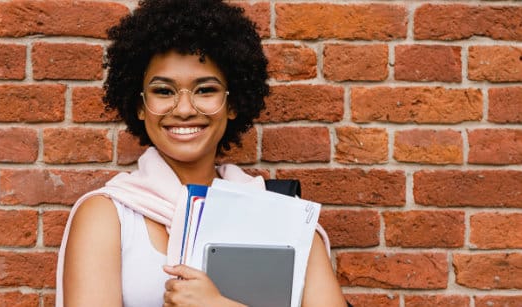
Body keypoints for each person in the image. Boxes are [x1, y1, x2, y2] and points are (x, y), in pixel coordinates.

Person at [55, 0, 348, 306]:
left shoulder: (281, 214)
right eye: (163, 91)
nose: (184, 109)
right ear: (140, 106)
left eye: (206, 90)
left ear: (232, 104)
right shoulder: (109, 216)